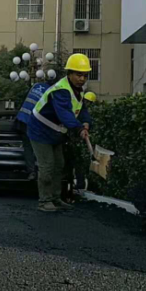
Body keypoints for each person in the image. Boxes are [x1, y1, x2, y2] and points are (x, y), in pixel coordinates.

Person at [26, 53, 94, 212]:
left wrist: (86, 123)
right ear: (69, 73)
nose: (82, 79)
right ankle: (44, 201)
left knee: (59, 165)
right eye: (78, 75)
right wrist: (78, 129)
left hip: (56, 132)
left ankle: (56, 199)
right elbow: (65, 113)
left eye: (85, 75)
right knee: (47, 166)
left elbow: (81, 109)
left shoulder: (78, 90)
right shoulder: (61, 90)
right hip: (40, 131)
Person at [15, 79, 54, 180]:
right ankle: (38, 172)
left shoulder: (36, 85)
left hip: (22, 120)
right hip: (32, 122)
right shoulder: (51, 92)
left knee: (28, 147)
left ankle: (31, 171)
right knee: (37, 147)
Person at [71, 91, 97, 194]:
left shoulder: (87, 111)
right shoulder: (78, 107)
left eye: (89, 102)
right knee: (76, 163)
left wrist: (86, 126)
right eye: (86, 101)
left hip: (82, 141)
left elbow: (86, 119)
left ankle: (81, 185)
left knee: (80, 164)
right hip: (76, 139)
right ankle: (77, 184)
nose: (87, 103)